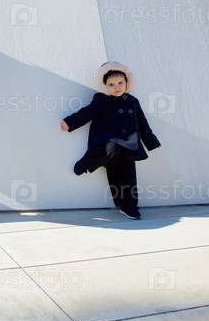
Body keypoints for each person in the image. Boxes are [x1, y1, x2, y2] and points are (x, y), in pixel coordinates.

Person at [60, 61, 161, 220]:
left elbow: (142, 124)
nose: (117, 87)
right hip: (107, 141)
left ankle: (128, 206)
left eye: (120, 83)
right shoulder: (102, 100)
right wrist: (70, 122)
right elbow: (86, 113)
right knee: (110, 148)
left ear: (127, 83)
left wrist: (152, 142)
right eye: (111, 84)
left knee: (126, 177)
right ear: (106, 86)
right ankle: (87, 162)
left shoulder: (132, 102)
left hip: (128, 146)